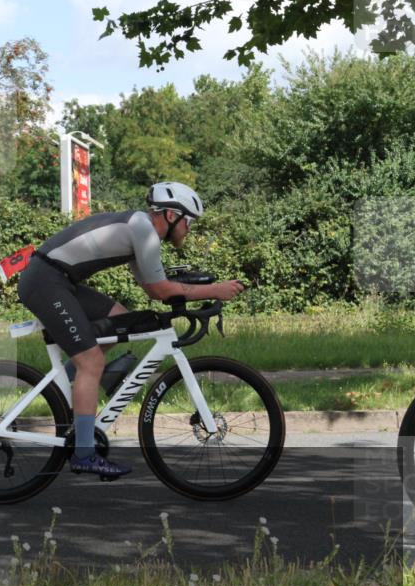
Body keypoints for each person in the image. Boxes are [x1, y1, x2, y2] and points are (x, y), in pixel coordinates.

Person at [17, 182, 246, 478]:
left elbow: (152, 288)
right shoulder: (144, 230)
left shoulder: (141, 229)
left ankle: (71, 386)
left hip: (58, 279)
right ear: (170, 215)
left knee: (121, 318)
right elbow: (162, 290)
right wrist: (214, 289)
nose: (189, 228)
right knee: (92, 361)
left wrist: (199, 288)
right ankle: (84, 453)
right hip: (46, 281)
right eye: (188, 220)